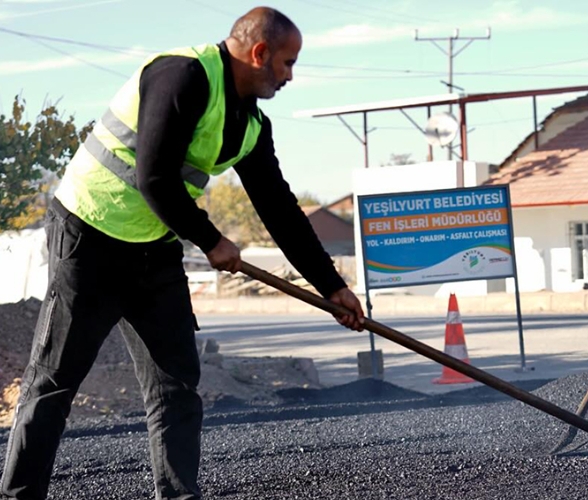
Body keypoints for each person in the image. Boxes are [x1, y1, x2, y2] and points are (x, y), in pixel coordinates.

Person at [1, 7, 365, 499]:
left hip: (154, 248)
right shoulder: (181, 75)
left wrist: (332, 287)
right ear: (259, 53)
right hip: (90, 236)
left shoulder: (252, 126)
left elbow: (281, 211)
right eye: (286, 62)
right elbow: (153, 176)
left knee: (176, 387)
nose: (290, 76)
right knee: (54, 382)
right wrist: (211, 239)